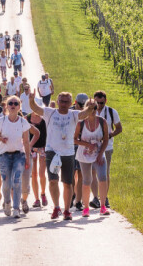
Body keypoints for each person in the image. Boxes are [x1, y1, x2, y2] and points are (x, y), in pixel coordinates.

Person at [28, 90, 93, 220]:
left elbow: (84, 114)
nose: (63, 104)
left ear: (71, 102)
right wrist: (31, 99)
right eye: (61, 101)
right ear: (57, 101)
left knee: (68, 183)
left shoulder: (74, 114)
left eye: (66, 102)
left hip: (68, 153)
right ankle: (57, 207)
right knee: (53, 180)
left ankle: (67, 210)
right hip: (52, 151)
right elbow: (36, 108)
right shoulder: (50, 112)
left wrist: (90, 107)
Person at [0, 96, 39, 218]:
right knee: (6, 183)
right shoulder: (1, 121)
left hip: (19, 155)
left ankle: (16, 208)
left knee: (17, 181)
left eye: (15, 103)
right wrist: (1, 138)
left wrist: (27, 158)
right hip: (4, 155)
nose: (13, 105)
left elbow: (26, 141)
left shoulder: (23, 122)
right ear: (7, 106)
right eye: (10, 103)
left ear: (19, 107)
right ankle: (7, 202)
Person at [75, 97, 110, 217]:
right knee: (87, 180)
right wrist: (87, 144)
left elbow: (106, 139)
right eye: (90, 108)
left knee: (103, 177)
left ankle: (103, 206)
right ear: (86, 108)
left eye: (95, 107)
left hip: (98, 153)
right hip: (84, 154)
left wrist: (100, 154)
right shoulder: (81, 123)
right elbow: (74, 139)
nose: (93, 110)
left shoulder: (102, 122)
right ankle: (85, 208)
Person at [95, 91, 122, 209]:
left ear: (105, 101)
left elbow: (119, 128)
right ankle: (95, 197)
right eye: (97, 102)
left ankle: (104, 198)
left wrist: (109, 135)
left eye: (101, 103)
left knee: (105, 173)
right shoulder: (90, 110)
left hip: (107, 146)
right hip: (92, 146)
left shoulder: (112, 112)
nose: (99, 105)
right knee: (92, 173)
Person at [29, 111, 48, 208]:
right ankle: (37, 199)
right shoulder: (27, 119)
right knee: (34, 174)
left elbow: (48, 135)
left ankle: (43, 193)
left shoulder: (44, 119)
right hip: (31, 148)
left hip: (42, 148)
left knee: (42, 174)